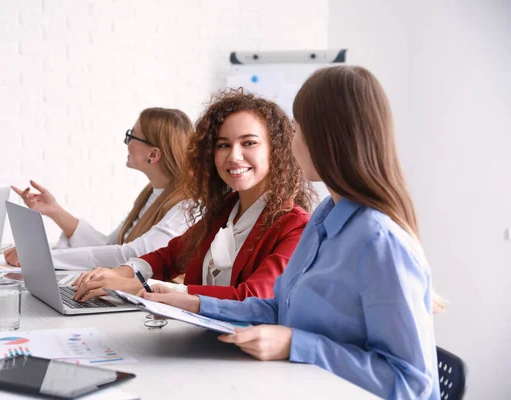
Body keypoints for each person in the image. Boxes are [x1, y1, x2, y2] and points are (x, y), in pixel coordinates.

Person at [137, 66, 443, 399]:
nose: (291, 143)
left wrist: (298, 345)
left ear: (328, 138)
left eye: (297, 130)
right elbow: (278, 308)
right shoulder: (325, 219)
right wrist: (194, 304)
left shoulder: (380, 242)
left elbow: (412, 384)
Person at [72, 90, 313, 301]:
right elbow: (167, 257)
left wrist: (142, 288)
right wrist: (120, 273)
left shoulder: (294, 226)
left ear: (277, 150)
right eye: (223, 145)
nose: (234, 156)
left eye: (249, 143)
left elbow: (250, 296)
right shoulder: (226, 211)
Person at [4, 108, 196, 270]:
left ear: (153, 155)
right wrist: (55, 211)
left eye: (131, 136)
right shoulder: (151, 194)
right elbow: (110, 246)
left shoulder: (187, 205)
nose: (127, 143)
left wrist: (40, 258)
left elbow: (134, 254)